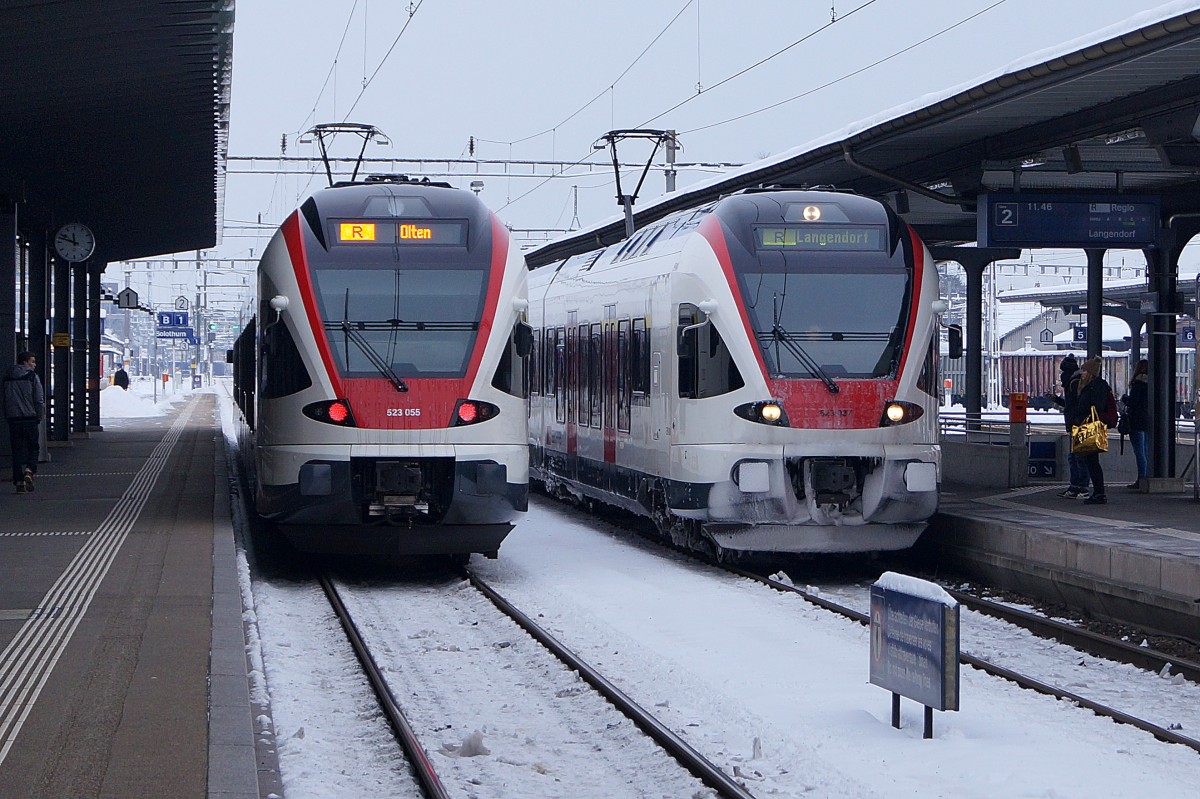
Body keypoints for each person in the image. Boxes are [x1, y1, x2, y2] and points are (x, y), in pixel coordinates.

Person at [1067, 356, 1113, 505]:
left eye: (1085, 370)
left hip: (1091, 427)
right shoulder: (1092, 386)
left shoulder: (1095, 387)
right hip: (1088, 426)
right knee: (1091, 461)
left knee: (1092, 462)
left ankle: (1099, 493)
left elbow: (1094, 407)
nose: (1082, 373)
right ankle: (1098, 492)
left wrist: (1082, 417)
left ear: (1091, 372)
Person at [1047, 354, 1089, 498]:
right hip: (1076, 423)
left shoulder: (1073, 383)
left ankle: (1080, 487)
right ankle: (1077, 486)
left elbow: (1074, 405)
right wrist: (1057, 400)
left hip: (1077, 424)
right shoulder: (1074, 382)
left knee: (1077, 457)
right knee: (1076, 457)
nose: (1061, 379)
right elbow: (1071, 404)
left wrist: (1074, 421)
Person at [2, 352, 44, 494]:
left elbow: (4, 400)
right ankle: (29, 470)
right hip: (30, 418)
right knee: (33, 447)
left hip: (13, 419)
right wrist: (39, 415)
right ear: (25, 362)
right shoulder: (32, 377)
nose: (34, 364)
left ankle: (19, 482)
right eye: (32, 361)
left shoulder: (7, 378)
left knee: (17, 451)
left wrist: (7, 415)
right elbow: (38, 399)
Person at [1122, 359, 1150, 488]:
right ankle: (1147, 477)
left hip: (1137, 421)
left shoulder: (1138, 384)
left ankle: (1141, 479)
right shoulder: (1152, 384)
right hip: (1148, 421)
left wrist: (1125, 399)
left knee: (1139, 452)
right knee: (1145, 451)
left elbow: (1133, 403)